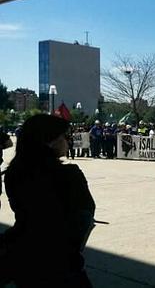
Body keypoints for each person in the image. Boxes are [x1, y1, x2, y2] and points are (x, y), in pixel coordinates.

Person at [0, 114, 95, 287]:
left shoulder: (13, 173)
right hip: (60, 260)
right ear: (50, 141)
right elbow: (84, 217)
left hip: (24, 255)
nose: (67, 141)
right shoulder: (69, 175)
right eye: (63, 137)